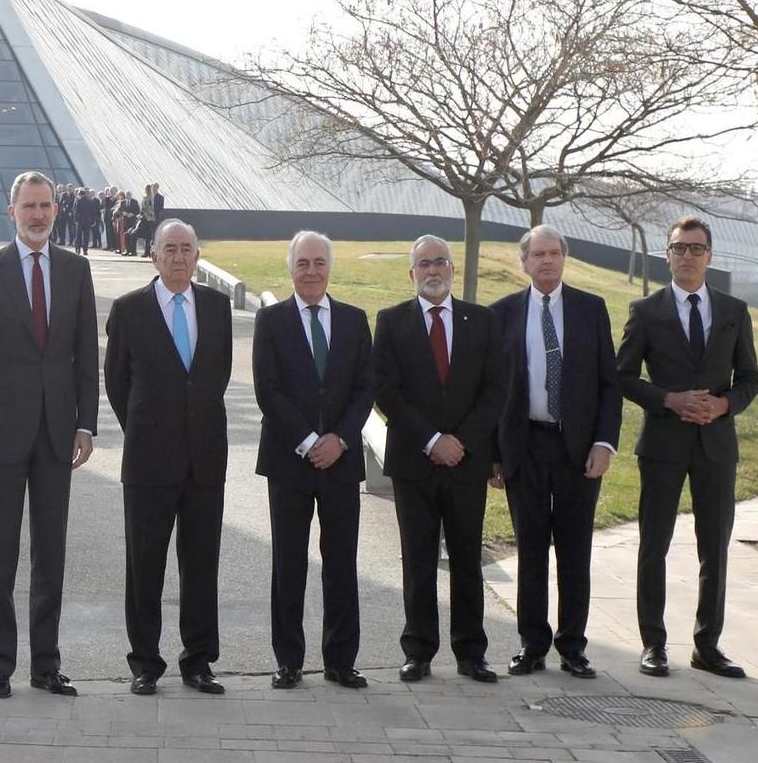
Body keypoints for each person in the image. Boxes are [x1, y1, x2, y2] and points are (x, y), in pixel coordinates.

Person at [0, 171, 98, 697]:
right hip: (1, 436)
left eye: (46, 206)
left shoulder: (75, 270)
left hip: (58, 436)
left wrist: (86, 422)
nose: (38, 214)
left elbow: (86, 353)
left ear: (56, 212)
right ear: (11, 210)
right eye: (29, 206)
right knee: (1, 554)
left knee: (51, 552)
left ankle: (46, 664)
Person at [617, 216, 758, 680]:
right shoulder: (646, 311)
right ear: (667, 254)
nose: (687, 256)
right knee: (653, 545)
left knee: (714, 548)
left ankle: (707, 645)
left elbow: (751, 378)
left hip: (716, 446)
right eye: (679, 248)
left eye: (696, 249)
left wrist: (723, 405)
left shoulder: (734, 311)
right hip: (662, 444)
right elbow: (620, 376)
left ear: (710, 256)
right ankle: (653, 644)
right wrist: (668, 399)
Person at [104, 218, 231, 696]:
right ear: (153, 256)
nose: (179, 257)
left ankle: (198, 661)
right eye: (169, 249)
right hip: (148, 461)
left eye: (186, 249)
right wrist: (147, 427)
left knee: (201, 564)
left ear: (197, 256)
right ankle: (145, 663)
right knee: (145, 565)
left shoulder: (216, 308)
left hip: (204, 461)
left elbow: (214, 376)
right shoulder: (130, 309)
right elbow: (117, 382)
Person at [373, 234, 507, 683]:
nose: (433, 270)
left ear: (453, 269)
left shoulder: (482, 321)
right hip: (414, 461)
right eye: (424, 264)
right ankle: (419, 651)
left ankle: (471, 653)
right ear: (411, 274)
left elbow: (495, 391)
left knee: (468, 558)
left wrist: (461, 441)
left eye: (441, 263)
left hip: (466, 463)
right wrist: (432, 440)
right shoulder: (391, 322)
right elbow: (386, 390)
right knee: (418, 557)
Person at [488, 225, 620, 680]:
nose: (547, 261)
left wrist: (604, 443)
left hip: (578, 448)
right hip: (524, 445)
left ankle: (573, 646)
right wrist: (494, 454)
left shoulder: (590, 309)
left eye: (554, 253)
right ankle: (532, 644)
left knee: (574, 550)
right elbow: (491, 391)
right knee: (530, 550)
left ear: (565, 259)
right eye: (538, 254)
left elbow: (609, 384)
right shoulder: (502, 313)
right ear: (523, 262)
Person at [251, 230, 376, 690]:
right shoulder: (272, 320)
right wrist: (308, 440)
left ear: (330, 267)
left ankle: (341, 660)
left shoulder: (353, 319)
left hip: (341, 462)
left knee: (342, 561)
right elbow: (268, 389)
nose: (311, 271)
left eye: (319, 262)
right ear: (290, 269)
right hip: (289, 461)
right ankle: (289, 659)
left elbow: (366, 386)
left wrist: (340, 439)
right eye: (302, 263)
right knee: (289, 563)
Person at [73, 188, 99, 256]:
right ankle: (85, 250)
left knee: (78, 236)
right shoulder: (90, 201)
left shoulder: (78, 201)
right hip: (88, 221)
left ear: (79, 194)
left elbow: (76, 211)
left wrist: (75, 220)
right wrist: (93, 221)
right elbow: (93, 212)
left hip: (80, 221)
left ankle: (78, 249)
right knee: (86, 236)